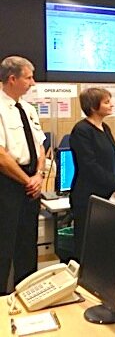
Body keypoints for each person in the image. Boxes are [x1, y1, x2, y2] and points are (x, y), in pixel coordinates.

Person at [0, 56, 46, 294]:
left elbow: (40, 145)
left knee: (28, 245)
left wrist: (38, 175)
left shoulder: (28, 109)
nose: (33, 83)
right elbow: (1, 156)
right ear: (12, 78)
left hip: (31, 182)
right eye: (28, 77)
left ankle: (29, 295)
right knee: (4, 246)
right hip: (7, 184)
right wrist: (27, 180)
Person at [69, 88, 115, 260]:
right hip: (88, 196)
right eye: (107, 102)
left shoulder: (105, 128)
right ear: (93, 107)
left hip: (108, 193)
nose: (111, 105)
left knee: (106, 243)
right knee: (88, 245)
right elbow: (89, 165)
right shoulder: (81, 130)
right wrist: (114, 183)